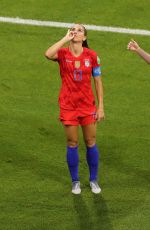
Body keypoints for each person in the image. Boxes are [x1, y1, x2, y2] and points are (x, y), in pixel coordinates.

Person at [45, 24, 105, 194]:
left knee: (90, 142)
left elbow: (98, 81)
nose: (75, 31)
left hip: (87, 106)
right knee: (72, 143)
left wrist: (100, 107)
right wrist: (65, 38)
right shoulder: (63, 54)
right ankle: (75, 181)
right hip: (68, 106)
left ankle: (93, 180)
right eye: (73, 29)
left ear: (84, 37)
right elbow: (48, 54)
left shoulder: (92, 56)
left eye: (79, 30)